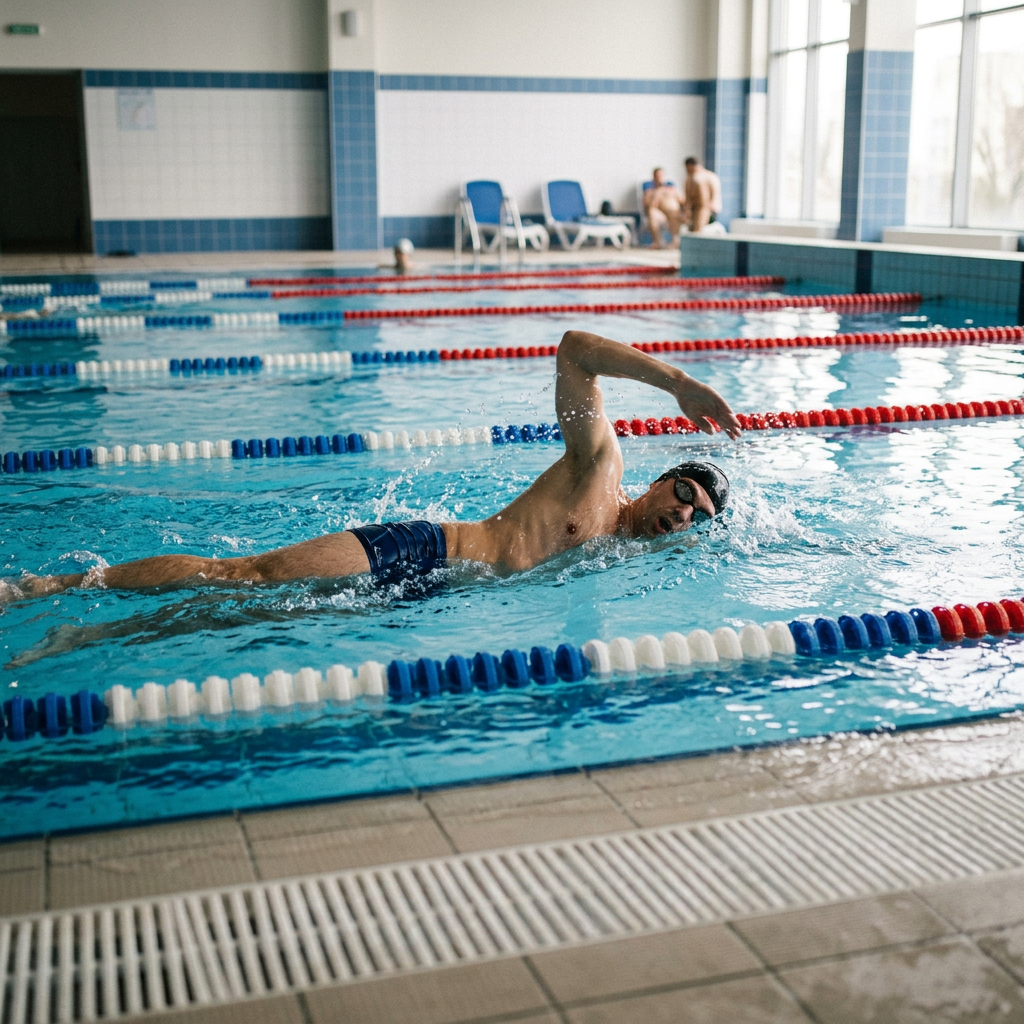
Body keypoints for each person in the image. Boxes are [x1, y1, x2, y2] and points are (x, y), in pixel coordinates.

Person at [20, 331, 742, 598]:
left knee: (227, 616)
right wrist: (678, 384)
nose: (682, 512)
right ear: (658, 479)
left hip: (432, 597)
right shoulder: (600, 470)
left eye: (695, 517)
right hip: (423, 549)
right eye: (683, 490)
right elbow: (574, 350)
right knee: (242, 575)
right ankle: (41, 586)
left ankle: (93, 629)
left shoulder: (634, 566)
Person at [642, 167, 686, 248]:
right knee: (652, 213)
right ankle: (657, 242)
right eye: (657, 176)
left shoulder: (671, 189)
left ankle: (675, 240)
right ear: (653, 177)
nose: (659, 177)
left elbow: (682, 200)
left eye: (661, 175)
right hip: (659, 214)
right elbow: (647, 205)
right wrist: (657, 195)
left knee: (675, 212)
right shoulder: (650, 191)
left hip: (673, 213)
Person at [683, 157, 722, 233]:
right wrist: (687, 210)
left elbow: (715, 192)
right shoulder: (689, 178)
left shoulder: (708, 176)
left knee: (698, 229)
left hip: (705, 207)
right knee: (691, 229)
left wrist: (713, 205)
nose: (687, 170)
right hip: (693, 207)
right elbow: (687, 196)